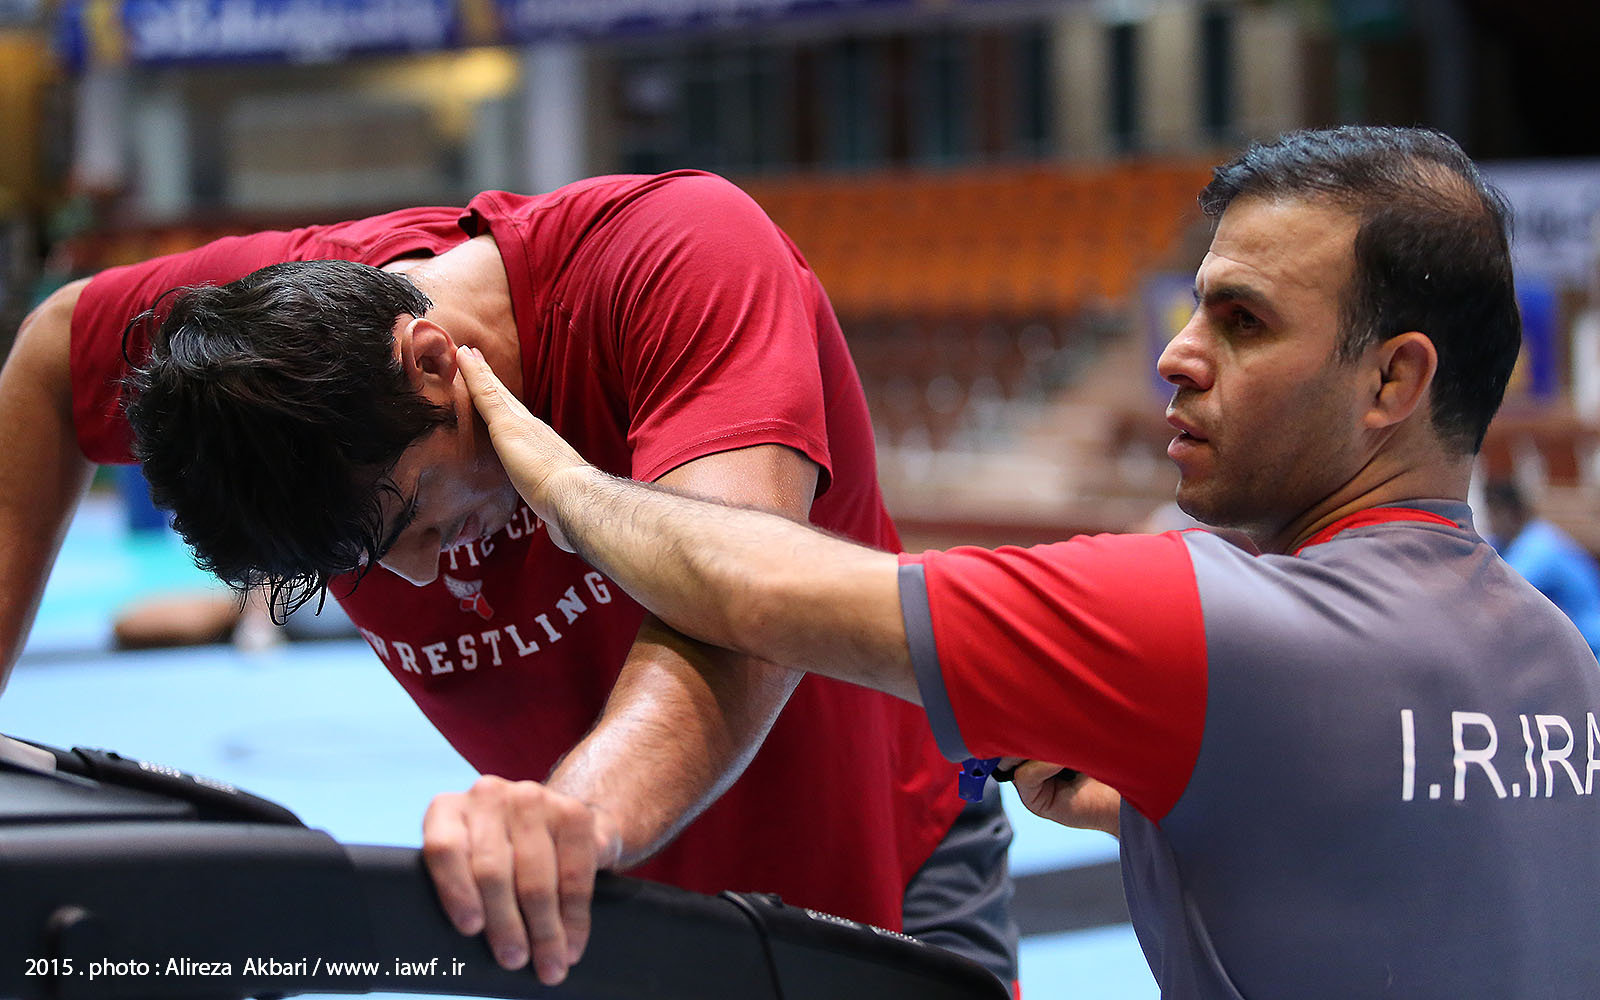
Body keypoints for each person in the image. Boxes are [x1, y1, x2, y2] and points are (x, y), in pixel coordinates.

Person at [446, 126, 1600, 998]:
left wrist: (554, 472)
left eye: (1241, 322)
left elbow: (746, 587)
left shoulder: (1203, 615)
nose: (1175, 355)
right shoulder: (1560, 660)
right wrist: (1163, 807)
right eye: (1192, 310)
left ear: (1393, 381)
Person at [0, 173, 1016, 987]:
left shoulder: (676, 258)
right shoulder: (247, 358)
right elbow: (55, 353)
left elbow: (746, 607)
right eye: (364, 563)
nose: (420, 576)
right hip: (605, 909)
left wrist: (569, 820)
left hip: (878, 858)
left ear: (433, 361)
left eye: (417, 517)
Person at [1484, 478, 1600, 655]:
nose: (1491, 521)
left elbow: (1500, 590)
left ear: (1515, 513)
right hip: (1567, 648)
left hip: (1591, 648)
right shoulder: (1502, 540)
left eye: (1495, 513)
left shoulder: (1541, 544)